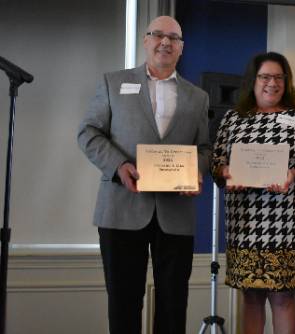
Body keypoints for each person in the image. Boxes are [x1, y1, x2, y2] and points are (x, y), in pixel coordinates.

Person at [77, 16, 210, 334]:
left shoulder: (198, 96)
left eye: (173, 38)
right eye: (158, 35)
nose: (165, 42)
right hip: (121, 208)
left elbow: (205, 148)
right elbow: (88, 132)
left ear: (181, 48)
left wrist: (196, 172)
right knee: (123, 303)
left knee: (174, 304)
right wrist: (119, 166)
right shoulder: (113, 82)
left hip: (176, 212)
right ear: (146, 40)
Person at [211, 52, 295, 334]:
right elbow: (216, 163)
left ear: (286, 82)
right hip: (245, 224)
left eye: (278, 77)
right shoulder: (233, 119)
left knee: (283, 296)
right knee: (251, 297)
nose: (272, 83)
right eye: (265, 76)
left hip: (287, 226)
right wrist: (226, 172)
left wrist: (293, 175)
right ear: (253, 81)